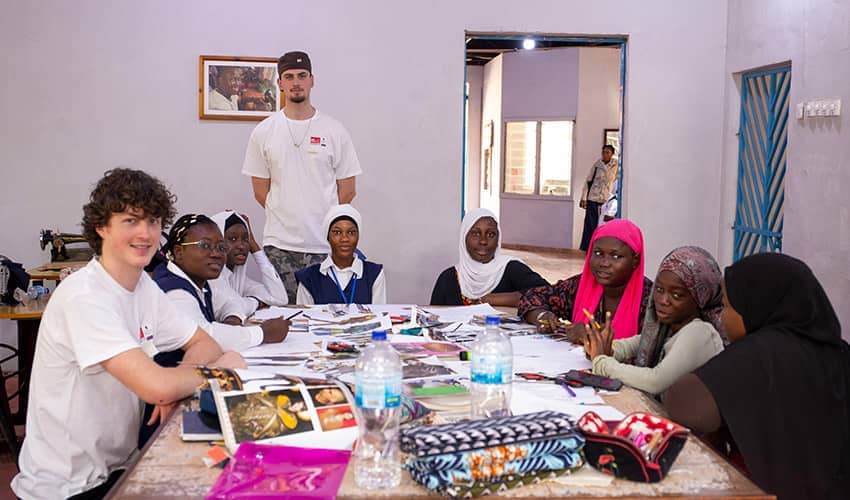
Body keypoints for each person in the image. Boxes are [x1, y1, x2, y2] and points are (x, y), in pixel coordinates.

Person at [12, 169, 245, 499]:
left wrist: (176, 380)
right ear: (101, 227)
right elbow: (157, 385)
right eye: (130, 221)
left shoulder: (143, 286)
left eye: (152, 221)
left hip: (119, 468)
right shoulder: (85, 296)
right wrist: (223, 370)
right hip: (68, 488)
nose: (145, 233)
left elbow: (201, 342)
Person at [663, 253, 850, 499]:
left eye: (728, 306)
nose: (722, 316)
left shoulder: (763, 351)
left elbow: (684, 404)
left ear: (755, 306)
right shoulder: (838, 350)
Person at [242, 50, 362, 303]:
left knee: (328, 318)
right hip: (279, 245)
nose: (296, 82)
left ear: (312, 80)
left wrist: (325, 222)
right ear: (280, 83)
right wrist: (285, 211)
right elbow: (259, 191)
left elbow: (348, 190)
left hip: (324, 245)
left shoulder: (334, 130)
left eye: (302, 75)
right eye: (289, 76)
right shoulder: (263, 131)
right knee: (283, 315)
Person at [584, 246, 725, 396]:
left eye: (676, 295)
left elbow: (655, 381)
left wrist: (601, 362)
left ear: (700, 299)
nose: (663, 300)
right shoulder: (666, 328)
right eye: (658, 289)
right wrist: (597, 345)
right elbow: (628, 347)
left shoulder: (699, 332)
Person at [152, 214, 290, 353]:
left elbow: (226, 304)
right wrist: (262, 333)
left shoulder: (198, 281)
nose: (216, 254)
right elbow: (203, 337)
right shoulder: (175, 291)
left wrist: (234, 315)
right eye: (205, 245)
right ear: (179, 252)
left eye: (221, 247)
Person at [518, 219, 652, 342]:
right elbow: (532, 296)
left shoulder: (651, 300)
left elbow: (652, 353)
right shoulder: (579, 286)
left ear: (635, 260)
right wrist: (542, 316)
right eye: (598, 253)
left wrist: (592, 337)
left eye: (616, 256)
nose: (604, 263)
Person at [430, 208, 547, 306]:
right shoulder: (448, 278)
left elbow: (547, 294)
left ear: (498, 239)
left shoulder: (511, 269)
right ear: (463, 238)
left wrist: (491, 299)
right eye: (475, 233)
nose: (483, 241)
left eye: (491, 234)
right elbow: (431, 320)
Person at [295, 204, 385, 305]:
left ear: (358, 236)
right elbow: (302, 319)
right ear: (328, 237)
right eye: (337, 232)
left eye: (351, 232)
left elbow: (379, 316)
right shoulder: (309, 278)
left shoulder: (374, 274)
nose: (344, 239)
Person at [209, 210, 288, 318]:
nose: (241, 246)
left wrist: (255, 247)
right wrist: (255, 301)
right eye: (232, 239)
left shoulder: (237, 278)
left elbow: (280, 298)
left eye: (246, 239)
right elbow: (236, 307)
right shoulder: (212, 278)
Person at [579, 145, 618, 251]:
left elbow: (617, 180)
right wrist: (584, 197)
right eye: (603, 152)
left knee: (603, 225)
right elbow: (588, 181)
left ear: (612, 154)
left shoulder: (615, 166)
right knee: (590, 225)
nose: (605, 154)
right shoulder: (597, 165)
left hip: (605, 199)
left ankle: (601, 248)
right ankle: (588, 248)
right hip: (593, 198)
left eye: (607, 152)